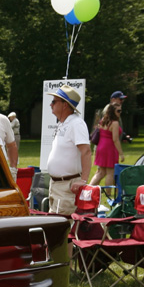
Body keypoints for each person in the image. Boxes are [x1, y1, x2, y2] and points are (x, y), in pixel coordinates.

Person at [45, 85, 91, 216]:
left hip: (67, 185)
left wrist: (83, 180)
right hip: (56, 184)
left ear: (65, 105)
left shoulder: (76, 123)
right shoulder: (63, 123)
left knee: (62, 224)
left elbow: (86, 151)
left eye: (54, 101)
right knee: (55, 223)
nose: (50, 104)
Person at [89, 102, 123, 188]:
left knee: (101, 172)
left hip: (101, 147)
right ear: (113, 111)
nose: (120, 112)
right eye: (118, 111)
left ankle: (89, 190)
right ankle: (108, 195)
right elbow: (115, 139)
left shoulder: (103, 120)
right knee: (110, 173)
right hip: (109, 148)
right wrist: (121, 154)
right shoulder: (114, 123)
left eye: (120, 110)